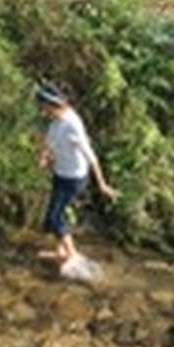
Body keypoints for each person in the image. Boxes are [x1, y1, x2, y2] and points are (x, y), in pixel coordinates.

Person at [36, 83, 118, 268]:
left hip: (74, 179)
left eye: (43, 106)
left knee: (55, 218)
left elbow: (91, 156)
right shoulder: (55, 122)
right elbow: (49, 144)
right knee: (55, 214)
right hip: (60, 174)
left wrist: (102, 184)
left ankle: (72, 255)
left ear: (52, 104)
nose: (42, 110)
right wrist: (44, 157)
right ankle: (61, 252)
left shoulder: (72, 124)